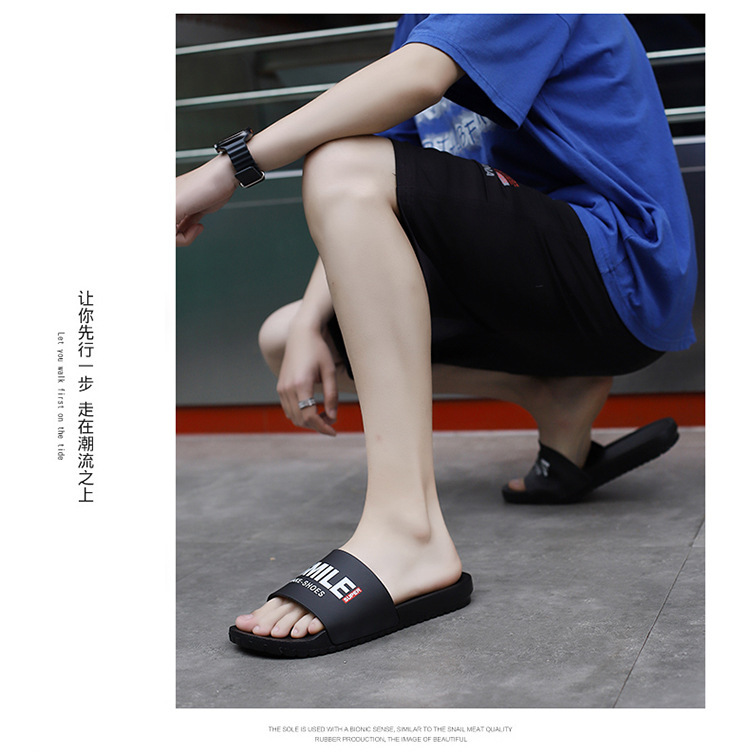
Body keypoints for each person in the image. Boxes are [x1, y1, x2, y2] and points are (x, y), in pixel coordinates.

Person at [176, 14, 697, 657]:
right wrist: (311, 321)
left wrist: (227, 168)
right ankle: (552, 394)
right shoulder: (418, 23)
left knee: (341, 165)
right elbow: (374, 185)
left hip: (619, 271)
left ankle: (408, 533)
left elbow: (401, 103)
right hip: (530, 284)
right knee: (287, 338)